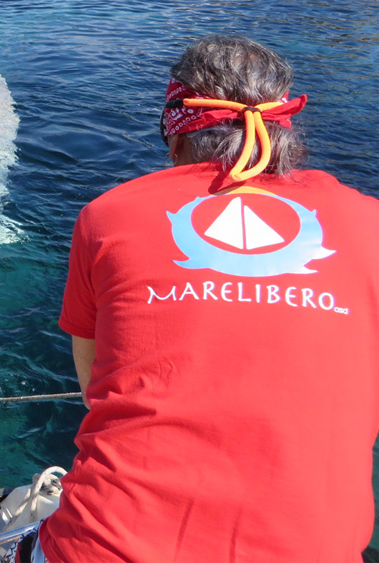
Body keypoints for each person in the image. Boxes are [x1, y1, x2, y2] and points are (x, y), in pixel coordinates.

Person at [24, 35, 379, 561]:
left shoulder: (109, 215)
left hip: (108, 545)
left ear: (174, 135)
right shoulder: (369, 223)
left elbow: (92, 381)